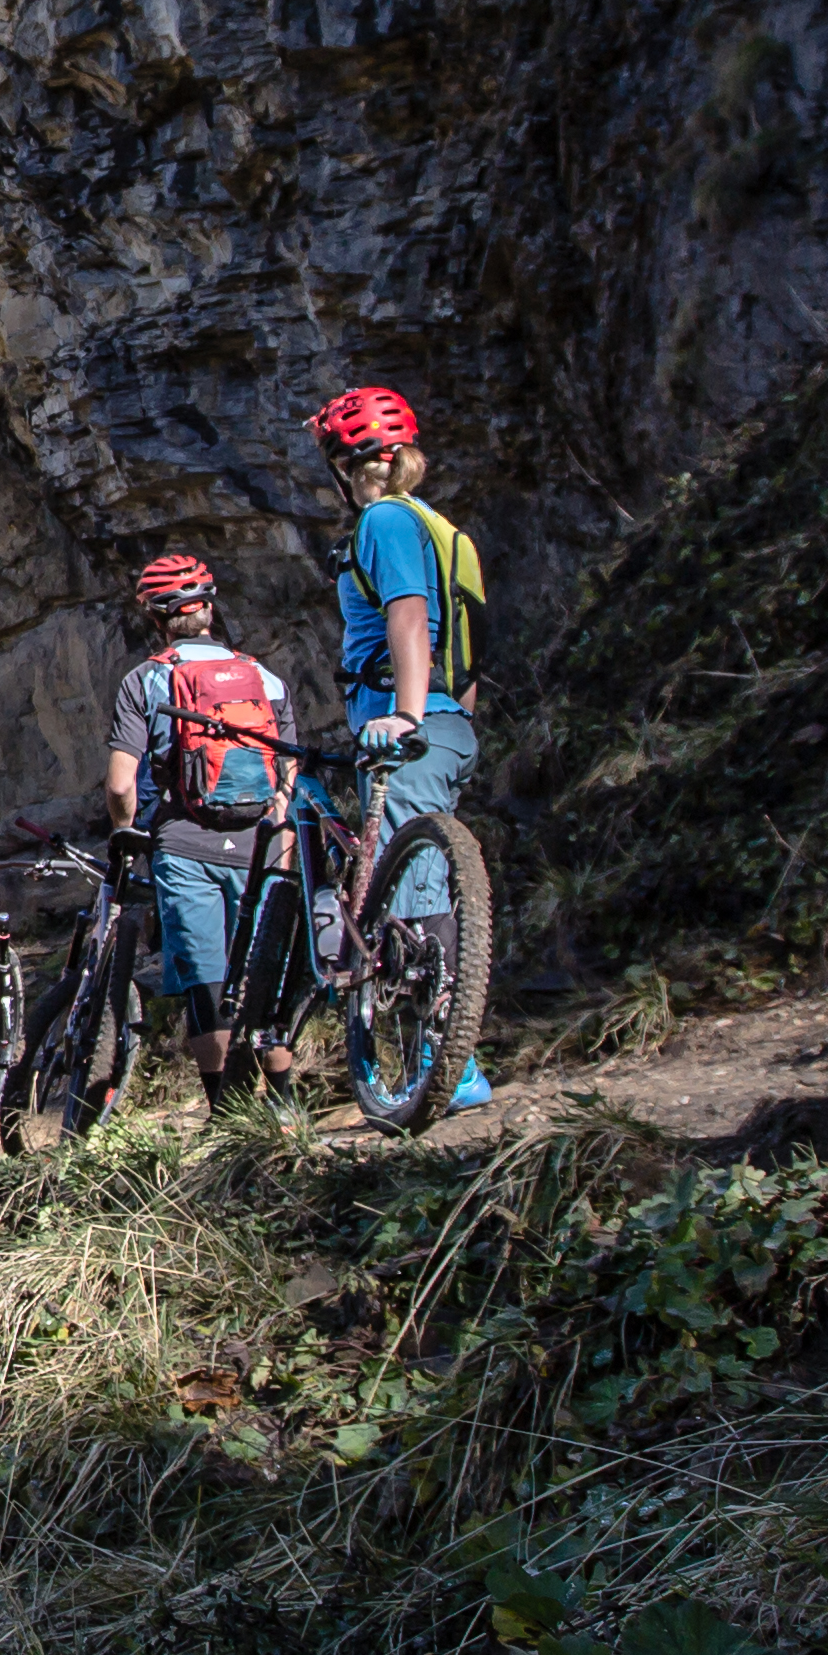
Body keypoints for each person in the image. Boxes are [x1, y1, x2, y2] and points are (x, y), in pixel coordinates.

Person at [310, 384, 491, 1115]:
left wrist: (406, 716)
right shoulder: (441, 526)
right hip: (455, 725)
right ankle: (443, 1053)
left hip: (407, 722)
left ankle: (444, 1062)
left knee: (410, 894)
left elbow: (409, 618)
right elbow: (465, 646)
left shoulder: (381, 519)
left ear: (342, 466)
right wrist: (445, 718)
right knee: (420, 871)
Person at [99, 551, 289, 1098]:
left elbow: (120, 784)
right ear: (209, 609)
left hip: (185, 844)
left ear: (157, 618)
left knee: (208, 981)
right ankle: (285, 1107)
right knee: (262, 981)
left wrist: (127, 834)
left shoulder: (145, 682)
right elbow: (288, 773)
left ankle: (228, 1116)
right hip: (259, 848)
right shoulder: (263, 677)